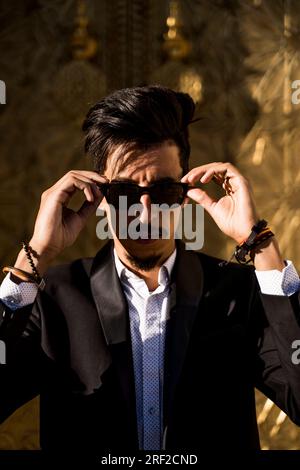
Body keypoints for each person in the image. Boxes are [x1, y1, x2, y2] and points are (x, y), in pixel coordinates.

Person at [0, 85, 300, 454]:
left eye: (163, 192)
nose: (144, 213)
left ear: (185, 192)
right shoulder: (55, 298)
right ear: (100, 197)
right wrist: (34, 258)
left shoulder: (236, 292)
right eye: (124, 193)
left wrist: (261, 244)